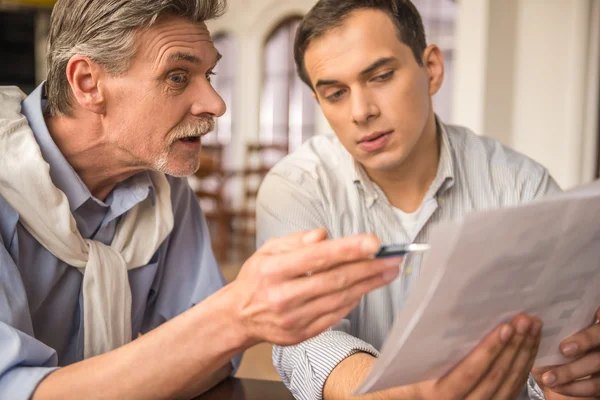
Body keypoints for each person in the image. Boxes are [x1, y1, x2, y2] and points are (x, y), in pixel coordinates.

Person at [0, 0, 410, 399]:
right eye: (177, 76)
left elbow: (215, 363)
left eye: (209, 75)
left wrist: (214, 335)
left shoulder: (165, 192)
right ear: (89, 83)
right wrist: (233, 317)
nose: (216, 104)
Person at [256, 1, 600, 399]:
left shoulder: (521, 187)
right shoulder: (294, 189)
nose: (361, 112)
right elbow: (303, 336)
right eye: (335, 93)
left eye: (381, 76)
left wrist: (568, 379)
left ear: (432, 68)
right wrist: (411, 396)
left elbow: (560, 351)